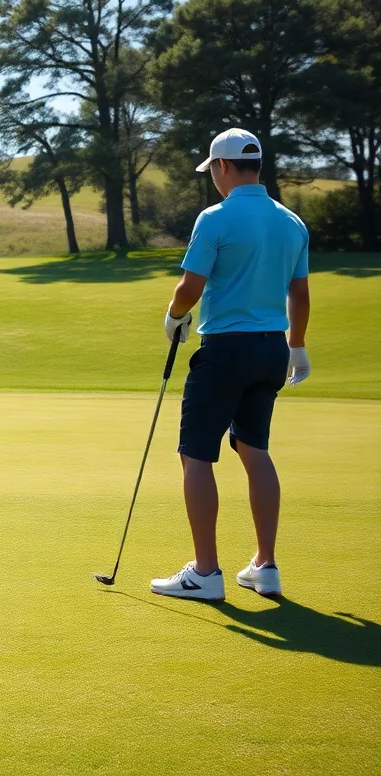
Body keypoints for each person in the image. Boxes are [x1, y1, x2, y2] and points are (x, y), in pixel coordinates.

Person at [150, 128, 312, 602]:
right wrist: (296, 346)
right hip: (272, 350)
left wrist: (174, 317)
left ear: (222, 167)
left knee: (196, 455)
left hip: (225, 350)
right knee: (253, 448)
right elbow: (299, 294)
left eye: (212, 172)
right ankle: (265, 566)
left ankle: (205, 573)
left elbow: (189, 287)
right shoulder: (292, 222)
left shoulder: (216, 217)